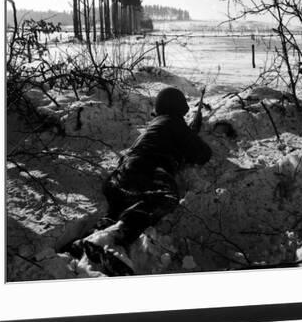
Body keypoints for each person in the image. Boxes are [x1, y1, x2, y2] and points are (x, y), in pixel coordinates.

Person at [74, 87, 212, 275]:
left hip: (120, 176)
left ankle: (90, 238)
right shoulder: (174, 122)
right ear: (180, 108)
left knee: (122, 208)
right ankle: (115, 238)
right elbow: (203, 154)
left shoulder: (156, 124)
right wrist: (191, 137)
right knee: (165, 197)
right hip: (146, 169)